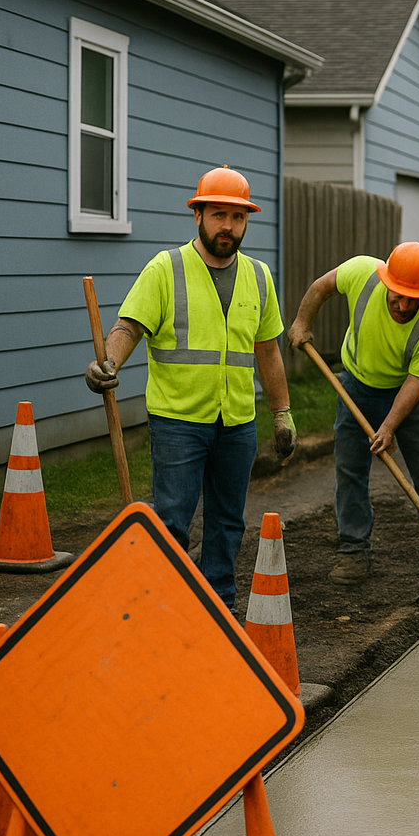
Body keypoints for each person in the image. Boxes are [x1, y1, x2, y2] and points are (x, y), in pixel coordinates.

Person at [85, 166, 294, 610]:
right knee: (173, 521)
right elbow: (128, 327)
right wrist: (107, 362)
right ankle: (166, 605)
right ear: (197, 214)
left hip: (236, 421)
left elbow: (269, 351)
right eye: (219, 215)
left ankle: (218, 603)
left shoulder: (259, 276)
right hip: (178, 421)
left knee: (227, 522)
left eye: (237, 218)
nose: (228, 227)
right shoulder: (166, 269)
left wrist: (281, 413)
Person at [287, 241, 419, 586]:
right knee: (350, 468)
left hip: (409, 392)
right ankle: (353, 550)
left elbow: (417, 381)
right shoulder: (362, 273)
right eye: (398, 294)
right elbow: (321, 287)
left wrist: (390, 426)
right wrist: (302, 323)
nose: (405, 304)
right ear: (387, 281)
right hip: (356, 385)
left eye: (414, 297)